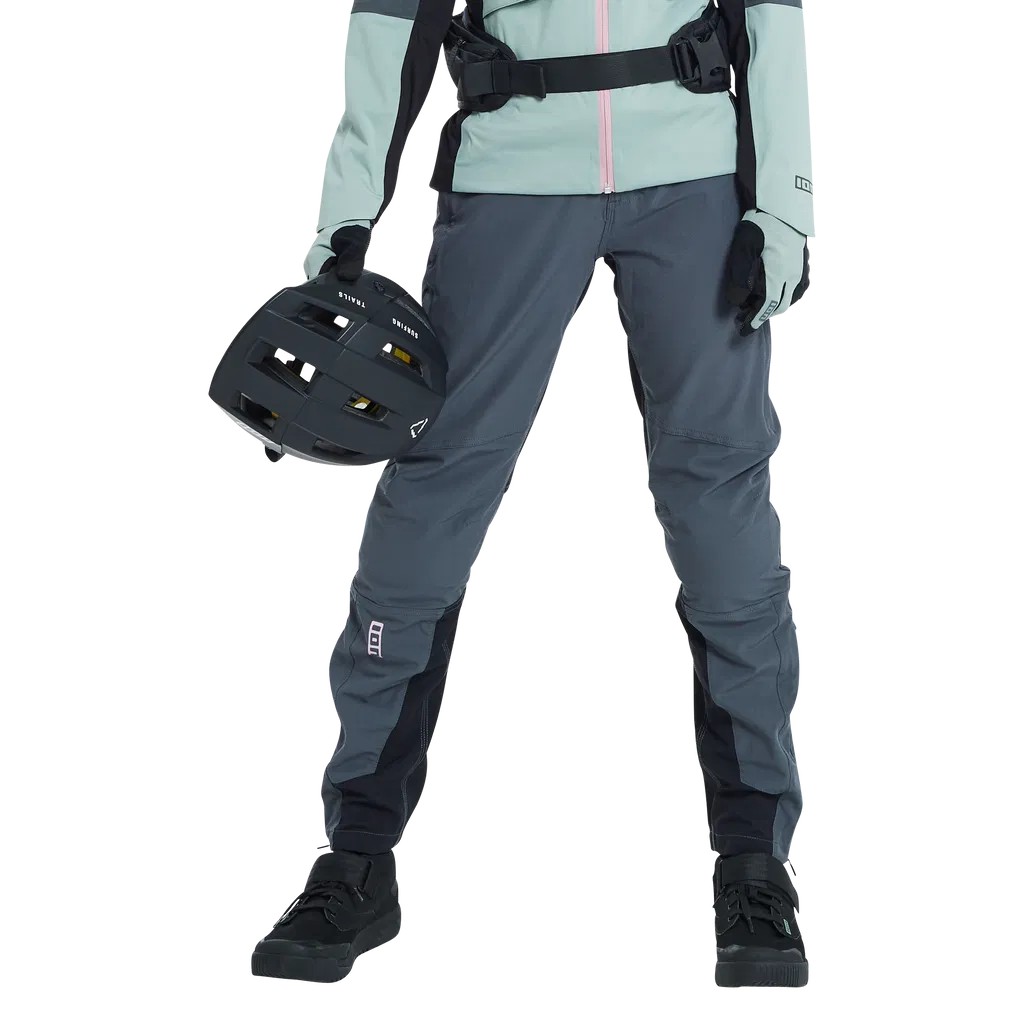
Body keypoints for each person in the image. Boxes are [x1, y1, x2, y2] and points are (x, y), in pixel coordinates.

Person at [251, 0, 814, 988]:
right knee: (429, 502)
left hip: (693, 178)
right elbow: (394, 17)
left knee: (721, 511)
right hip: (511, 172)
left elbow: (769, 12)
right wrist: (346, 215)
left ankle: (755, 863)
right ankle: (357, 856)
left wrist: (786, 205)